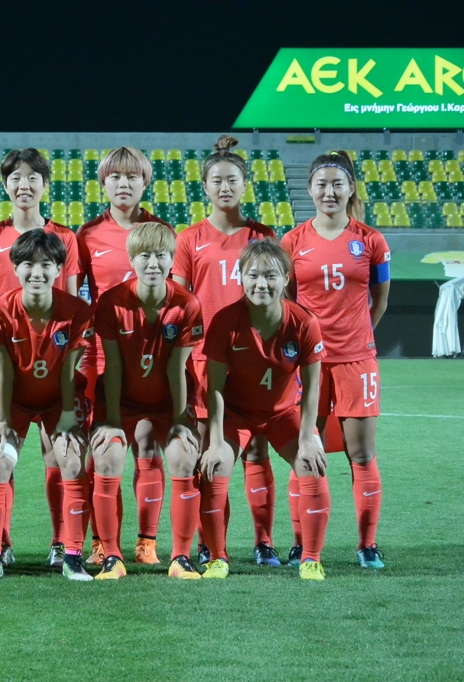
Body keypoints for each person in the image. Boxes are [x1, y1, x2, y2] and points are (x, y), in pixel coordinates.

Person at [0, 149, 83, 568]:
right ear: (5, 185)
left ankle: (60, 542)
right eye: (15, 178)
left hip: (53, 361)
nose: (24, 185)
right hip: (5, 361)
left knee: (58, 454)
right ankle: (1, 545)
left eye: (33, 177)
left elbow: (68, 303)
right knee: (3, 451)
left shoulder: (66, 239)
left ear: (45, 185)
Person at [171, 135, 279, 568]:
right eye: (217, 180)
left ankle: (264, 541)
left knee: (257, 450)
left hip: (255, 360)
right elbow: (178, 302)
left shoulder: (263, 236)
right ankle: (211, 545)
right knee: (206, 453)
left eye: (233, 179)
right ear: (205, 186)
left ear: (245, 184)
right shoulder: (189, 239)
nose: (225, 187)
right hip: (205, 361)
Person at [281, 151, 390, 570]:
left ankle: (367, 545)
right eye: (321, 184)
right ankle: (299, 544)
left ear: (350, 189)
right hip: (308, 365)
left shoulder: (372, 240)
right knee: (304, 452)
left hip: (357, 363)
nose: (329, 191)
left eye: (337, 184)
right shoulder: (292, 241)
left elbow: (378, 302)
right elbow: (287, 303)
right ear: (310, 189)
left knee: (361, 454)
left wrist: (355, 338)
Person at [201, 238, 330, 581]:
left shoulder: (303, 322)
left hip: (282, 414)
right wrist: (215, 440)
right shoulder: (225, 321)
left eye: (271, 276)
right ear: (240, 277)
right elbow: (213, 387)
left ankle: (311, 559)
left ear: (286, 278)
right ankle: (217, 557)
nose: (262, 283)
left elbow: (313, 384)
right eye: (253, 275)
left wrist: (308, 437)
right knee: (214, 470)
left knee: (312, 466)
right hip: (237, 414)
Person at [89, 222, 203, 580]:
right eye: (144, 256)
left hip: (170, 400)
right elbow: (115, 365)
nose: (153, 263)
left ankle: (181, 558)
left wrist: (183, 419)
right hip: (121, 399)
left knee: (184, 459)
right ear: (131, 260)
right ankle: (111, 556)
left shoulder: (187, 304)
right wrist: (109, 421)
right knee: (106, 459)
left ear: (172, 261)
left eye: (161, 256)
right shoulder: (111, 302)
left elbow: (176, 368)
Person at [76, 147, 171, 567]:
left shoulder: (163, 230)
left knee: (149, 446)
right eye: (116, 177)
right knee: (104, 450)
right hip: (102, 359)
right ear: (104, 183)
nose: (124, 183)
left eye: (133, 176)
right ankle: (102, 542)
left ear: (145, 182)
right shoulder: (88, 236)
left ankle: (146, 541)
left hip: (152, 359)